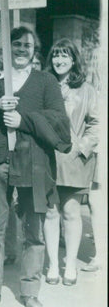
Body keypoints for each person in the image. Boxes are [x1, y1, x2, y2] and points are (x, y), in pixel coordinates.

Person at [0, 26, 70, 307]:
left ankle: (29, 290)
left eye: (28, 45)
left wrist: (23, 120)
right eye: (16, 44)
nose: (22, 49)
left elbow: (59, 123)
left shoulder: (46, 81)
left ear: (34, 49)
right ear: (7, 48)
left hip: (33, 164)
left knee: (33, 230)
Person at [43, 39, 99, 286]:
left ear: (74, 59)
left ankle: (70, 265)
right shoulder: (44, 84)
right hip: (47, 158)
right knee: (50, 211)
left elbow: (97, 123)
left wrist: (81, 147)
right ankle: (53, 265)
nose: (59, 60)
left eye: (65, 55)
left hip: (74, 159)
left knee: (71, 211)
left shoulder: (86, 90)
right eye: (56, 55)